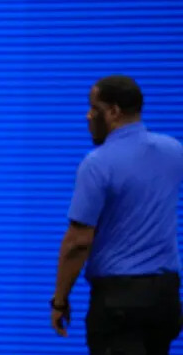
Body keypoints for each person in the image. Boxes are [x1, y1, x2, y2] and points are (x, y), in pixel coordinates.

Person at [50, 75, 183, 354]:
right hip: (166, 300)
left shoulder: (97, 164)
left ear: (113, 111)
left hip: (120, 304)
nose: (87, 116)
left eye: (93, 108)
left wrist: (59, 300)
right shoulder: (174, 151)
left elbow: (78, 242)